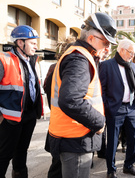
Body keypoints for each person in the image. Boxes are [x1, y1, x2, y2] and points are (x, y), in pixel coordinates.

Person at [47, 12, 116, 178]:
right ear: (91, 39)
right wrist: (100, 122)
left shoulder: (75, 54)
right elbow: (71, 100)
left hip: (66, 135)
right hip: (75, 139)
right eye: (105, 42)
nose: (107, 48)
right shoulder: (79, 59)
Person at [99, 39, 135, 178]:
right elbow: (101, 89)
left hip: (132, 107)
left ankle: (128, 166)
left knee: (134, 138)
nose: (132, 56)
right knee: (113, 141)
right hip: (115, 109)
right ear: (121, 50)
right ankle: (111, 170)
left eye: (133, 53)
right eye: (130, 52)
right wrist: (106, 106)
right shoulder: (106, 65)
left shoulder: (132, 66)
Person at [0, 25, 43, 178]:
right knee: (4, 155)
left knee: (21, 153)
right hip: (10, 118)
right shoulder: (4, 59)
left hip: (29, 116)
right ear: (20, 43)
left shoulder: (32, 60)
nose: (36, 46)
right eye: (32, 43)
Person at [43, 39, 75, 178]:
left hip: (59, 123)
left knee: (59, 163)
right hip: (62, 125)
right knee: (58, 165)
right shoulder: (61, 68)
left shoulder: (56, 67)